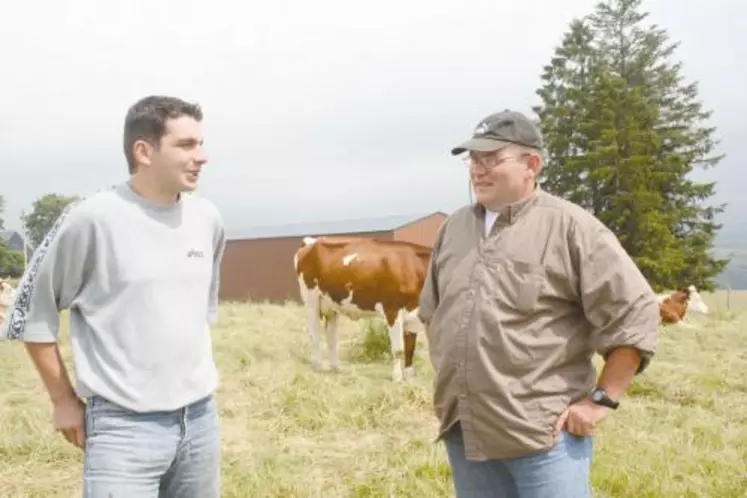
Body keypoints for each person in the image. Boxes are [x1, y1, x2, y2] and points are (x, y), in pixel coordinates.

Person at [418, 109, 660, 497]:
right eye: (473, 159)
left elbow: (636, 311)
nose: (478, 169)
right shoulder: (455, 228)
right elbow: (433, 311)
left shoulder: (571, 227)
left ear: (532, 164)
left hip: (543, 438)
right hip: (465, 430)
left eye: (492, 159)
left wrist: (600, 401)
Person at [1, 95, 226, 497]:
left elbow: (195, 316)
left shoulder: (207, 220)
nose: (203, 156)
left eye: (202, 143)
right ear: (144, 151)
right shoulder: (91, 219)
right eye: (187, 144)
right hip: (124, 431)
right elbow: (30, 313)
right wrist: (63, 401)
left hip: (201, 422)